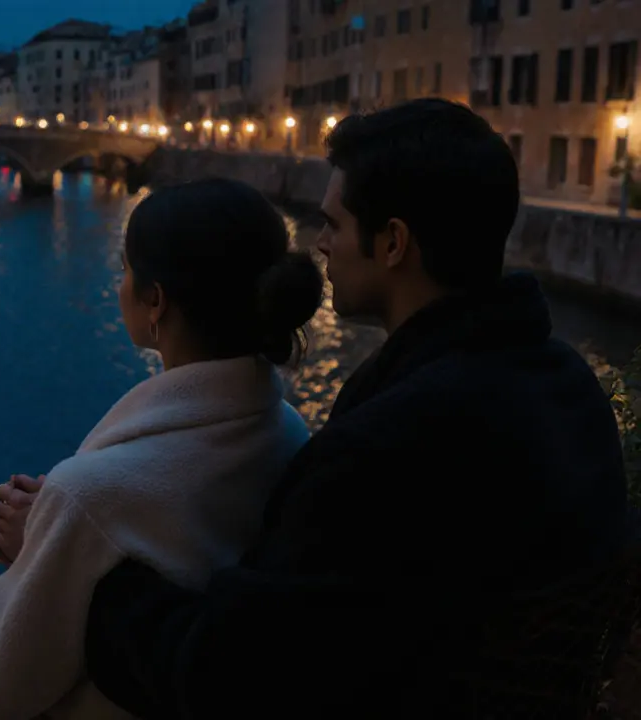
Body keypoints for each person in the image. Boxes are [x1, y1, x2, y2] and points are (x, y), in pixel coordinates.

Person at [77, 98, 630, 717]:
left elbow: (223, 674)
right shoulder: (567, 385)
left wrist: (89, 575)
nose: (319, 246)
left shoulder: (394, 444)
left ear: (392, 242)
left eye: (334, 225)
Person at [0, 178, 326, 720]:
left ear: (156, 301)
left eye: (125, 271)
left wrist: (53, 533)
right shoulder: (287, 431)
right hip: (167, 687)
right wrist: (56, 531)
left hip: (87, 697)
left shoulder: (89, 494)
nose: (118, 284)